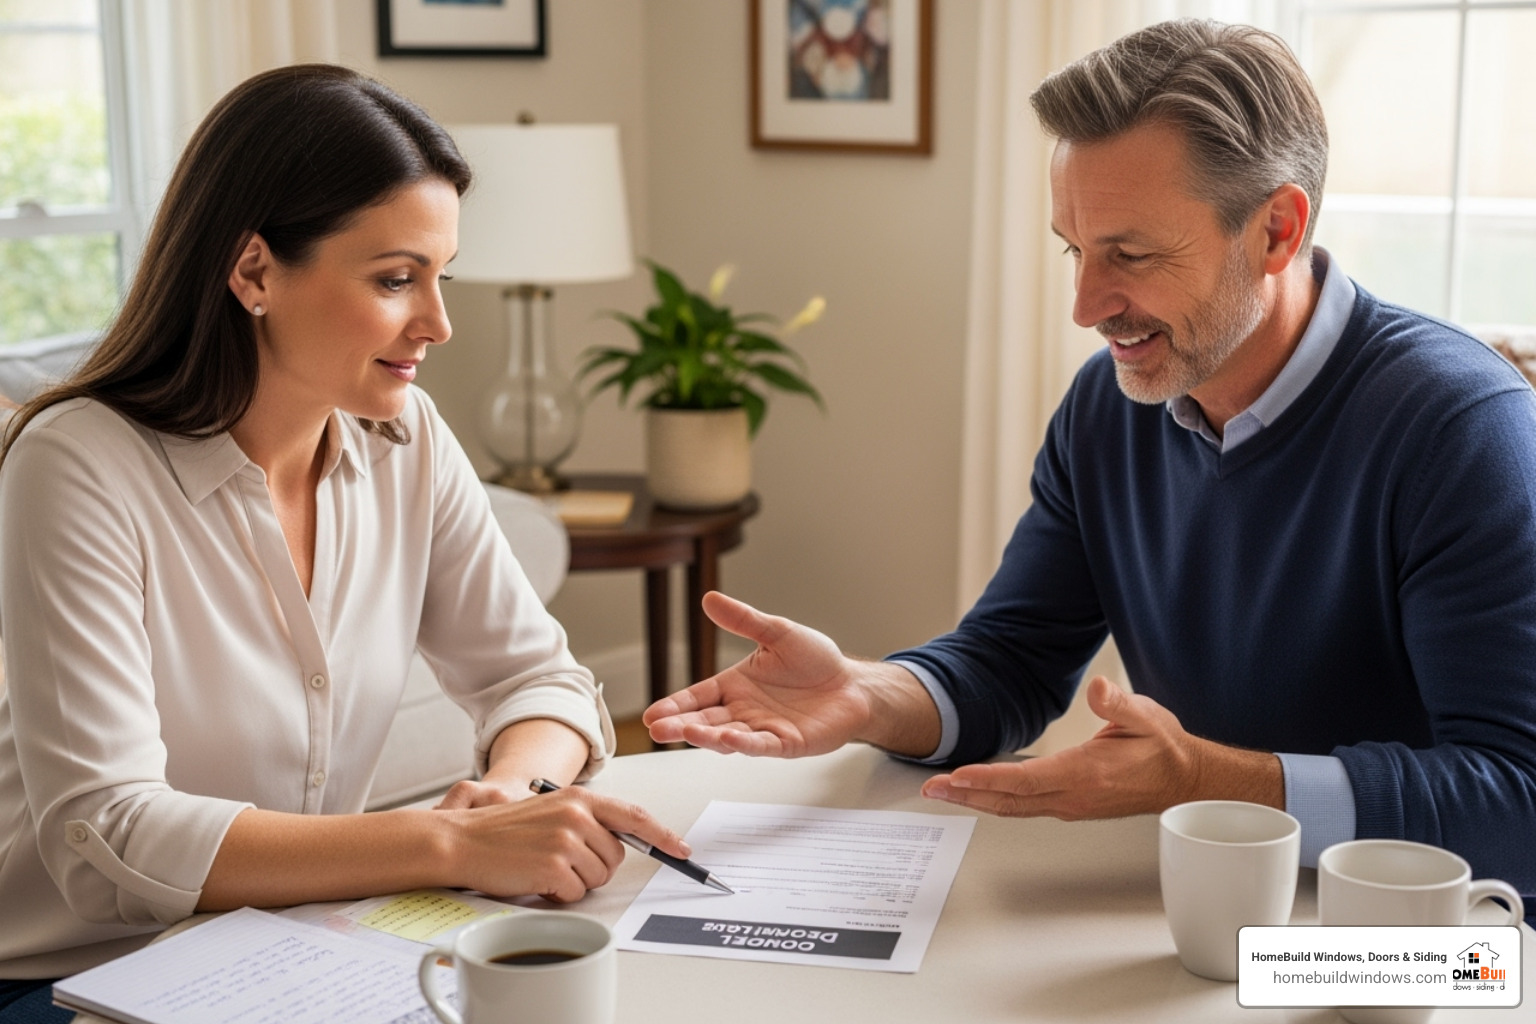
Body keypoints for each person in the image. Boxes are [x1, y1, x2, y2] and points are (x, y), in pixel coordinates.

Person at [644, 19, 1536, 923]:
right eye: (1076, 249)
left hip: (1452, 950)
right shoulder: (1112, 408)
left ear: (1276, 228)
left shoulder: (1464, 430)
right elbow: (1011, 661)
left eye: (1131, 255)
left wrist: (1205, 780)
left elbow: (1520, 803)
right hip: (1209, 915)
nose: (1085, 307)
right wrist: (869, 693)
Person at [0, 64, 687, 1019]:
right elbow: (112, 828)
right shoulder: (74, 463)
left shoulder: (405, 439)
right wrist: (445, 845)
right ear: (253, 272)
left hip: (297, 943)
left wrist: (512, 794)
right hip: (74, 978)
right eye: (396, 280)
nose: (438, 323)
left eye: (440, 277)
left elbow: (540, 679)